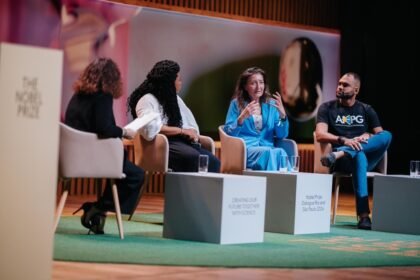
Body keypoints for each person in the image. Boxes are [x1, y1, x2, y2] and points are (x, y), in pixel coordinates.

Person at [65, 58, 145, 235]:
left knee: (124, 167)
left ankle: (98, 211)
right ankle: (99, 208)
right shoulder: (102, 96)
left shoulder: (78, 95)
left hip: (72, 157)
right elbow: (104, 128)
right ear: (112, 78)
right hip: (94, 157)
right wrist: (124, 132)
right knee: (136, 175)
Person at [315, 72, 392, 230]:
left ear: (356, 90)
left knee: (387, 135)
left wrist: (368, 135)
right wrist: (344, 140)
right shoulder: (326, 108)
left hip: (344, 156)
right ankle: (364, 216)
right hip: (341, 162)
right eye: (339, 83)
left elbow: (380, 135)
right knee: (359, 155)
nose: (340, 87)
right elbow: (320, 134)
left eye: (345, 85)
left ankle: (342, 151)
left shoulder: (366, 109)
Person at [127, 59, 220, 172]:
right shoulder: (147, 100)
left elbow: (190, 123)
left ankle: (204, 190)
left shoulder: (175, 99)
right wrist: (181, 131)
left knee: (214, 161)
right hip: (162, 145)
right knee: (193, 158)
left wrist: (191, 132)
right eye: (178, 79)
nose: (181, 82)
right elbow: (149, 129)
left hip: (181, 142)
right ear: (169, 82)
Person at [224, 67, 290, 171]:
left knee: (281, 152)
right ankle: (272, 185)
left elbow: (282, 134)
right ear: (245, 86)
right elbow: (228, 132)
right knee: (271, 153)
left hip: (268, 148)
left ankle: (285, 186)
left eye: (261, 82)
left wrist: (282, 116)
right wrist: (241, 119)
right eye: (253, 83)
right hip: (246, 150)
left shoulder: (271, 105)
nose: (259, 87)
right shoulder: (236, 104)